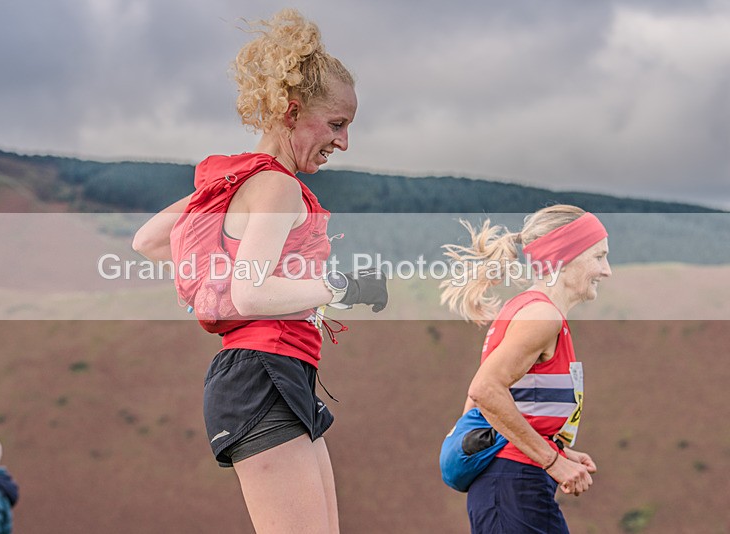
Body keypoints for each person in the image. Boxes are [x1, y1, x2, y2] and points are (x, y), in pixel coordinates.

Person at [133, 9, 387, 533]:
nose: (343, 142)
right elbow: (249, 295)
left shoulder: (240, 182)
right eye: (336, 124)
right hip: (263, 371)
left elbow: (150, 240)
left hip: (274, 372)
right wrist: (343, 286)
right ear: (292, 113)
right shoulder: (277, 186)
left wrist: (215, 207)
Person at [439, 205, 610, 533]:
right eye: (599, 257)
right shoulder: (541, 317)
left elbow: (483, 405)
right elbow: (484, 390)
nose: (607, 271)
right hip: (514, 485)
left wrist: (557, 449)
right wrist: (552, 460)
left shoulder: (532, 311)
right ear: (564, 257)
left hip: (511, 484)